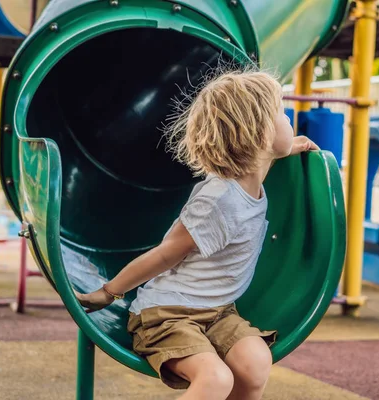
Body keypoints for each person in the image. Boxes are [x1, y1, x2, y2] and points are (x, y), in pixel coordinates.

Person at [75, 69, 318, 400]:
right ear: (259, 134)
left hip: (218, 312)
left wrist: (289, 147)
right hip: (168, 314)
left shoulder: (253, 175)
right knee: (216, 379)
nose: (289, 119)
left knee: (256, 362)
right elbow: (164, 253)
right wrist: (109, 292)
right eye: (281, 113)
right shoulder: (218, 201)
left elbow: (267, 156)